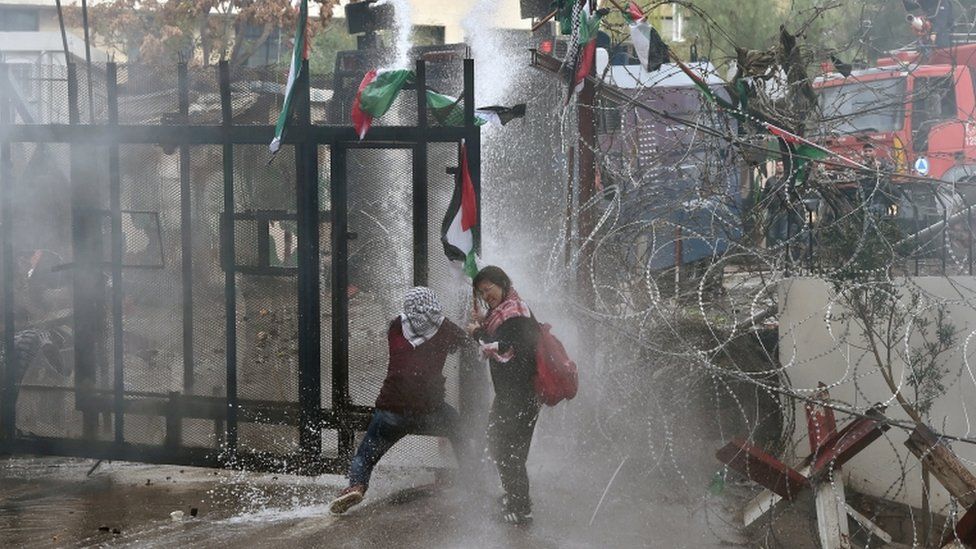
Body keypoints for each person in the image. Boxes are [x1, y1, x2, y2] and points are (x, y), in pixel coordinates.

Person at [328, 286, 469, 515]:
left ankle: (357, 486)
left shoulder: (396, 325)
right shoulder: (444, 328)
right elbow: (463, 344)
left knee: (365, 455)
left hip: (392, 410)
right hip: (430, 409)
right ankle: (472, 479)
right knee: (461, 430)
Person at [466, 266, 541, 526]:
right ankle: (515, 497)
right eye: (482, 293)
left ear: (503, 284)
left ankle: (521, 509)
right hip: (512, 394)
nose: (487, 296)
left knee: (510, 450)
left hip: (522, 394)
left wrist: (477, 332)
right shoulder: (503, 313)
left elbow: (499, 346)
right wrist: (484, 321)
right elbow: (499, 336)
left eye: (489, 290)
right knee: (501, 444)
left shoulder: (515, 313)